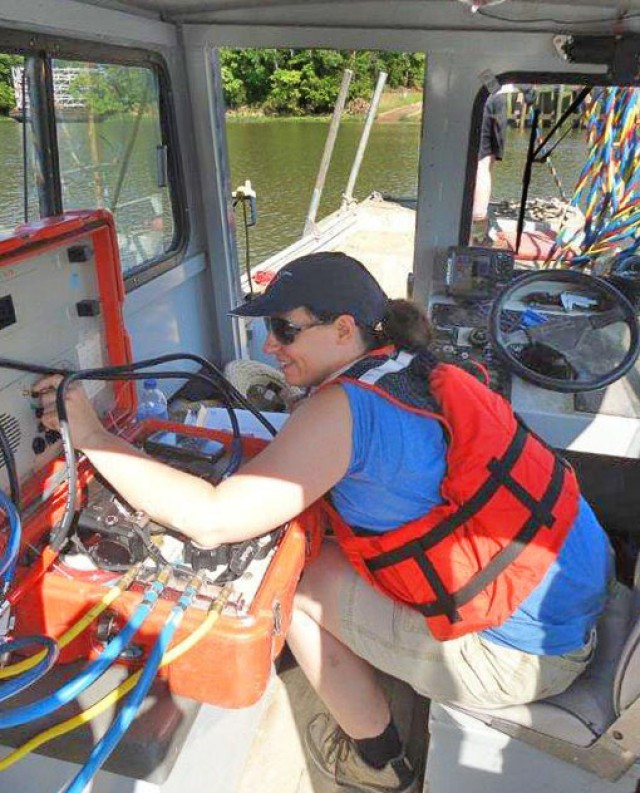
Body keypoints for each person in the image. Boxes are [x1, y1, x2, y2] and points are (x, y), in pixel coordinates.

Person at [36, 252, 613, 793]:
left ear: (344, 329)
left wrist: (91, 435)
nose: (269, 345)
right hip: (572, 593)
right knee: (322, 549)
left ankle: (379, 761)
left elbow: (212, 521)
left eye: (286, 330)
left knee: (297, 586)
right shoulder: (416, 366)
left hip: (520, 657)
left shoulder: (341, 408)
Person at [471, 88, 508, 245]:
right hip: (493, 96)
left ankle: (478, 224)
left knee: (482, 164)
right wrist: (527, 92)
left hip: (481, 95)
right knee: (484, 164)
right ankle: (478, 228)